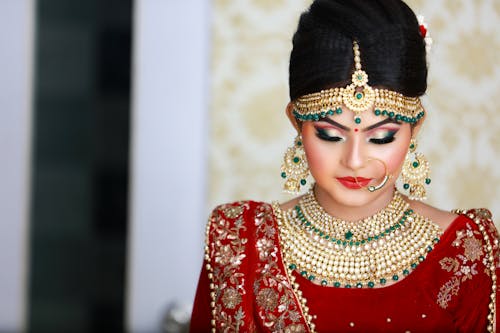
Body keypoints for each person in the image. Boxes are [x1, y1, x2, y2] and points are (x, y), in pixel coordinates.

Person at [190, 0, 499, 332]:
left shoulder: (465, 251)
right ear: (297, 122)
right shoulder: (241, 246)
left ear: (415, 128)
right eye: (329, 134)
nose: (354, 160)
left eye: (380, 137)